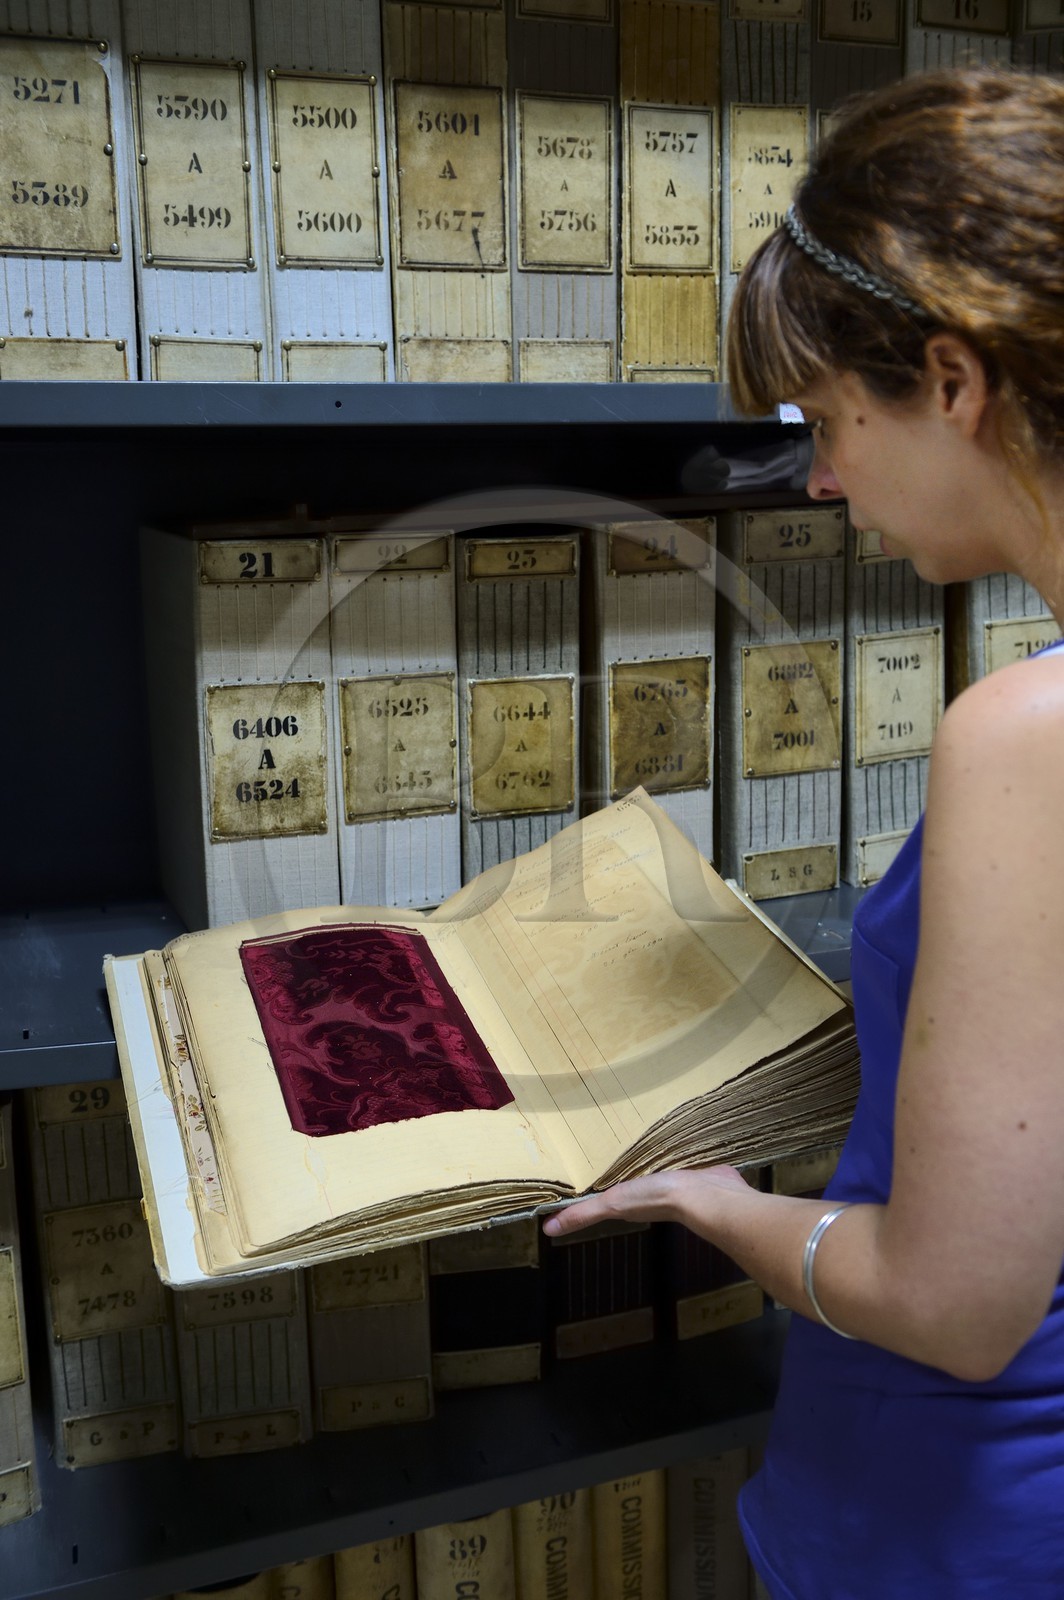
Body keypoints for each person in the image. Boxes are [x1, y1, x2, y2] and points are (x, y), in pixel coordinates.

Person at [542, 65, 1064, 1599]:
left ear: (954, 382)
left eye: (831, 418)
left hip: (960, 1522)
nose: (823, 477)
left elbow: (956, 1304)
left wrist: (721, 1207)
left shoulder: (1026, 736)